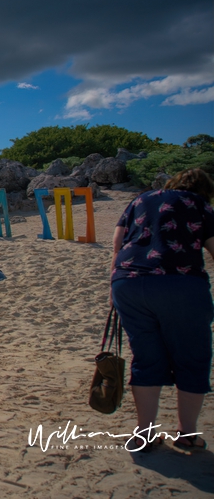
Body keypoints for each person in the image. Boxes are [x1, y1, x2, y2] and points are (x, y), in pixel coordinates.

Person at [111, 168, 214, 451]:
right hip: (179, 284)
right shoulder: (200, 205)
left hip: (129, 283)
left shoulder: (140, 200)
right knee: (192, 358)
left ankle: (144, 433)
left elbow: (118, 243)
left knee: (146, 358)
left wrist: (113, 286)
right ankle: (187, 434)